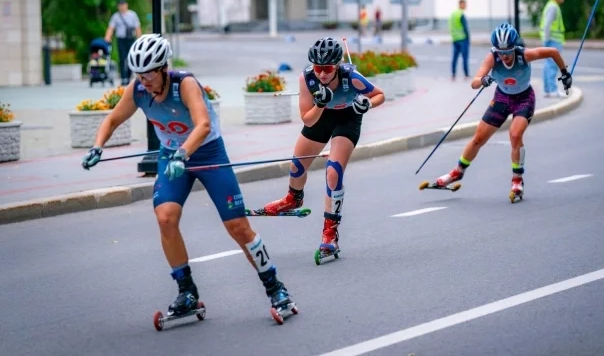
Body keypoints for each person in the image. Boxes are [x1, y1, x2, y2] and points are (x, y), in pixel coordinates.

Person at [80, 34, 296, 321]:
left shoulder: (185, 85)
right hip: (172, 155)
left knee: (238, 227)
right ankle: (187, 292)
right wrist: (97, 146)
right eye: (139, 76)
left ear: (163, 69)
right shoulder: (139, 90)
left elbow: (203, 124)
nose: (144, 82)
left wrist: (183, 154)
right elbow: (112, 119)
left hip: (207, 153)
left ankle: (276, 288)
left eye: (148, 75)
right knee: (165, 217)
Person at [256, 37, 385, 261]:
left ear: (337, 65)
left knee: (333, 171)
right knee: (297, 165)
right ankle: (293, 199)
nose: (322, 74)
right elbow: (307, 120)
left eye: (327, 68)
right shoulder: (307, 79)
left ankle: (330, 233)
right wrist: (320, 104)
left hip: (348, 118)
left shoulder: (351, 77)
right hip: (321, 116)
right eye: (318, 68)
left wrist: (367, 104)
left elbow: (379, 95)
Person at [427, 23, 572, 200]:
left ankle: (517, 179)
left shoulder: (523, 55)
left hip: (524, 99)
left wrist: (565, 73)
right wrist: (484, 79)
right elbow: (474, 82)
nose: (504, 56)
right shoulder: (492, 58)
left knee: (515, 135)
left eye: (508, 51)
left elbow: (553, 52)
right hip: (502, 98)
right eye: (500, 52)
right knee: (479, 138)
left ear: (514, 47)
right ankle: (457, 172)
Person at [105, 0, 142, 86]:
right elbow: (111, 27)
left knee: (130, 58)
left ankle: (128, 76)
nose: (122, 7)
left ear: (126, 5)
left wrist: (140, 39)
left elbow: (137, 28)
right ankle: (123, 77)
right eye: (120, 5)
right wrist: (108, 36)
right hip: (121, 39)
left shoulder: (132, 15)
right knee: (122, 58)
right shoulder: (116, 16)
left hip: (130, 39)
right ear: (118, 7)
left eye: (123, 5)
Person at [539, 0, 567, 98]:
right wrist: (546, 40)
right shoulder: (553, 7)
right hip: (553, 40)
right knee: (552, 65)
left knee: (548, 65)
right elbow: (547, 25)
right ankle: (553, 90)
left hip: (550, 40)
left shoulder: (551, 5)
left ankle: (547, 89)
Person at [449, 0, 470, 80]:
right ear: (461, 4)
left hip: (455, 39)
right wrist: (468, 37)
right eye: (464, 4)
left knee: (455, 57)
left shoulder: (453, 14)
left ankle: (453, 74)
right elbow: (465, 27)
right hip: (463, 38)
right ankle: (466, 74)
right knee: (465, 57)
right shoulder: (461, 14)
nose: (465, 6)